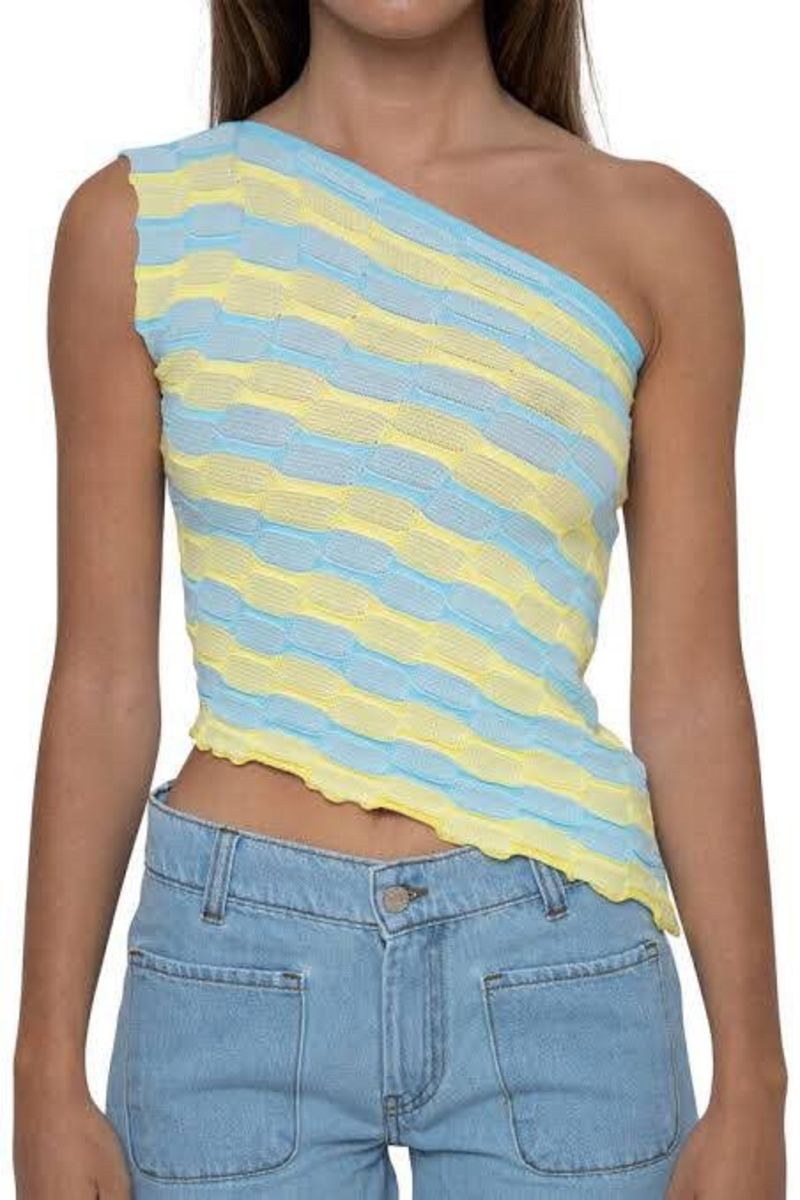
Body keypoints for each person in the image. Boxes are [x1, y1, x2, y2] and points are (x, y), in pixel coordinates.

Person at [13, 1, 787, 1197]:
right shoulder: (138, 226)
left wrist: (755, 1082)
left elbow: (690, 689)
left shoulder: (657, 234)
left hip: (558, 969)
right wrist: (40, 1073)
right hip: (229, 977)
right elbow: (103, 680)